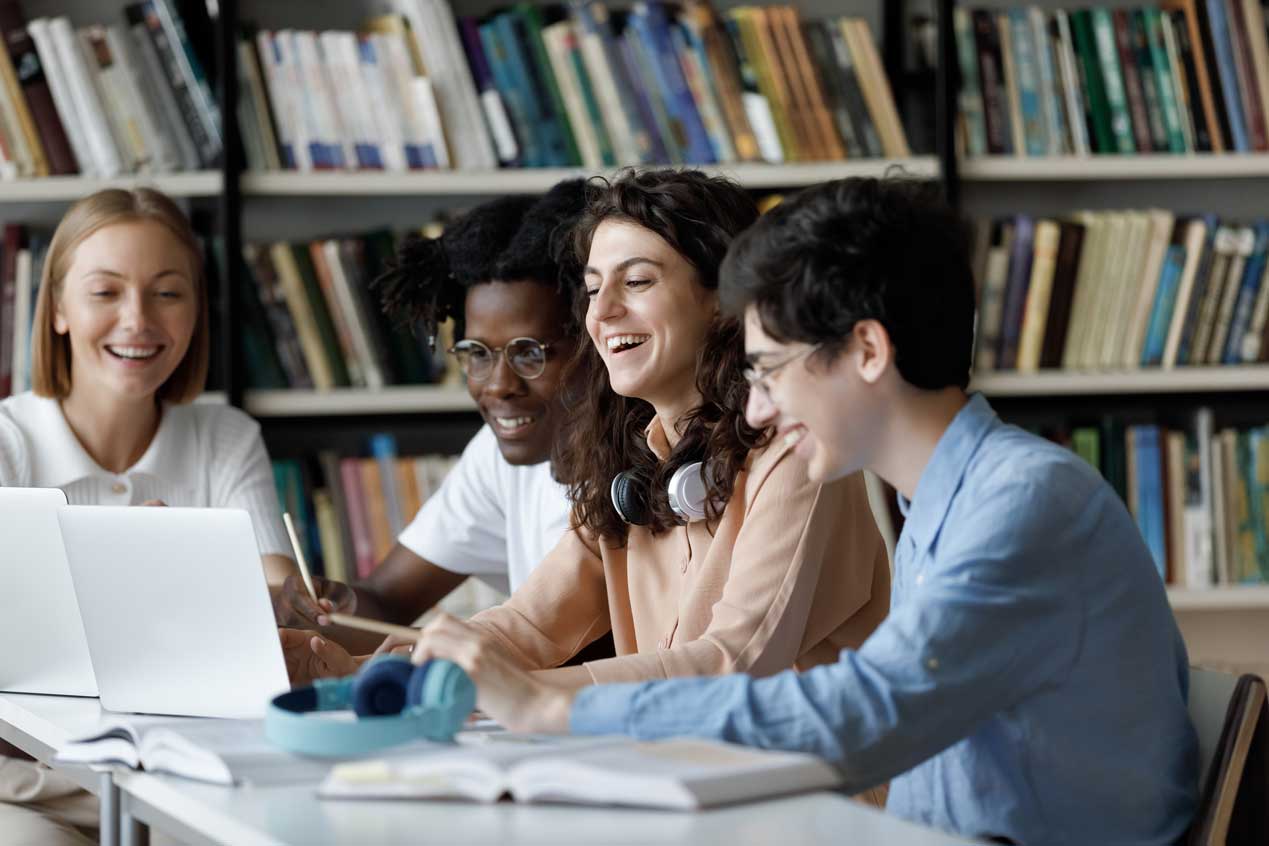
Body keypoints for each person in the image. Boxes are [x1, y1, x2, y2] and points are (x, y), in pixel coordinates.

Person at [407, 177, 1198, 845]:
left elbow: (862, 713)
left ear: (865, 351)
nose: (751, 409)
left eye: (770, 370)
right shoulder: (946, 502)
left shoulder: (1021, 503)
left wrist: (552, 705)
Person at [388, 168, 889, 701]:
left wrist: (529, 693)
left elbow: (736, 659)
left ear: (722, 298)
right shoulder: (628, 463)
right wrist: (380, 671)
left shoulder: (795, 450)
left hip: (808, 781)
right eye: (593, 288)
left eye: (638, 282)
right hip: (680, 772)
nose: (602, 313)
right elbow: (530, 626)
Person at [0, 188, 295, 844]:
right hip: (25, 781)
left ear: (195, 312)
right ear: (57, 311)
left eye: (167, 293)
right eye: (105, 292)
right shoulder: (7, 442)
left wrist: (286, 601)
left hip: (182, 776)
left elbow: (273, 585)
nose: (138, 320)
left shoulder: (224, 436)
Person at [273, 180, 589, 666]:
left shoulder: (638, 467)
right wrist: (334, 607)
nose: (498, 385)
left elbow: (571, 654)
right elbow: (388, 599)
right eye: (476, 354)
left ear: (596, 342)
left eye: (530, 353)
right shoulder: (497, 452)